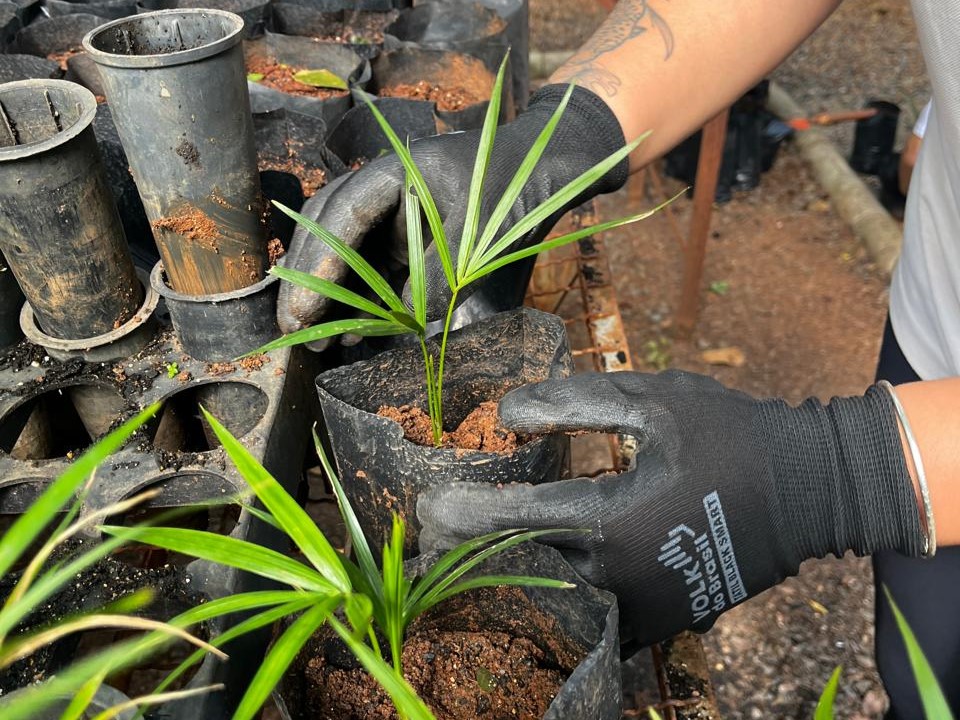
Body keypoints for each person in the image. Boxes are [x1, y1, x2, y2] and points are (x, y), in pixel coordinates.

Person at [276, 2, 960, 714]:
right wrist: (564, 134)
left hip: (920, 442)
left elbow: (855, 472)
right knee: (915, 658)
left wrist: (845, 470)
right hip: (937, 337)